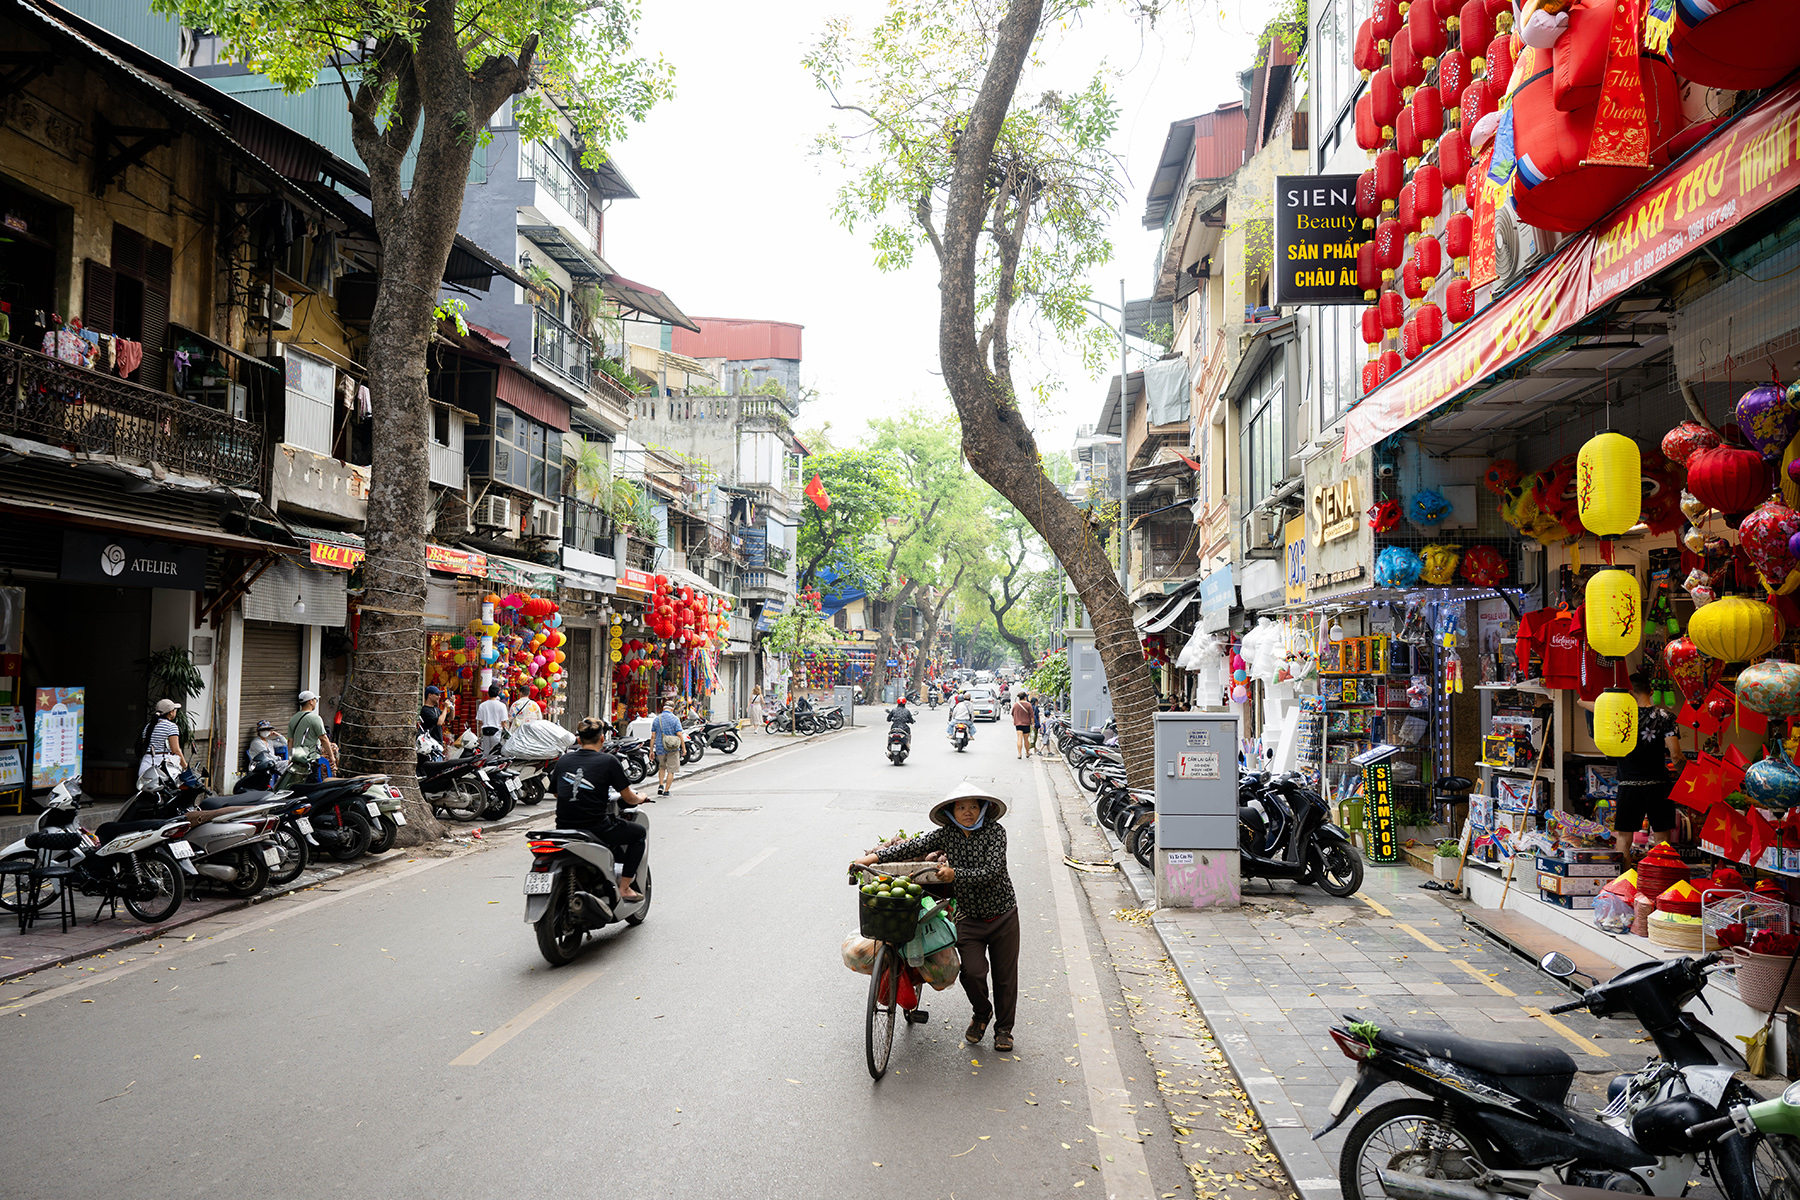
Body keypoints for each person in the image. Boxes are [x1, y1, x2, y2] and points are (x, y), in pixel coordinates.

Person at [854, 783, 1020, 1052]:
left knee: (1004, 977)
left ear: (983, 809)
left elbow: (991, 870)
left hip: (1003, 914)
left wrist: (957, 875)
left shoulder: (996, 833)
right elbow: (911, 847)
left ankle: (1004, 1030)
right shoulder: (948, 835)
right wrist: (873, 857)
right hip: (968, 915)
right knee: (972, 973)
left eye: (973, 806)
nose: (968, 812)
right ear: (952, 812)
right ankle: (981, 1013)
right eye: (961, 807)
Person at [547, 718, 647, 901]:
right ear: (602, 739)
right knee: (639, 834)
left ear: (579, 740)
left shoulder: (563, 760)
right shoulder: (609, 761)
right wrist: (641, 798)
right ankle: (625, 887)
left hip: (563, 828)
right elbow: (629, 798)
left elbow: (557, 794)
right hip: (597, 828)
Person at [1583, 672, 1681, 858]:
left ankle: (1624, 883)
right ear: (1651, 691)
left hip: (1628, 785)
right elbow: (1675, 755)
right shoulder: (1666, 717)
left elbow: (1585, 703)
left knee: (1624, 839)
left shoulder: (1619, 716)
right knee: (1662, 841)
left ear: (1628, 693)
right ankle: (1660, 883)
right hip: (1658, 785)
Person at [286, 690, 339, 786]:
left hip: (298, 760)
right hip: (311, 759)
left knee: (300, 783)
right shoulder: (315, 718)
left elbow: (290, 740)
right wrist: (331, 756)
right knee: (310, 784)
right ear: (310, 701)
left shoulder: (293, 718)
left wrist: (291, 758)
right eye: (315, 700)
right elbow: (323, 738)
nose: (315, 702)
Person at [136, 698, 187, 785]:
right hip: (161, 768)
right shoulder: (171, 727)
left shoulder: (148, 726)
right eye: (175, 710)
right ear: (171, 713)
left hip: (145, 765)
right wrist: (185, 767)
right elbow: (176, 750)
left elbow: (144, 745)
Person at [649, 700, 685, 797]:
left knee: (661, 767)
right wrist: (684, 748)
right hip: (672, 748)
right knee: (671, 770)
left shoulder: (657, 719)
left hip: (660, 747)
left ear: (663, 708)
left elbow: (653, 736)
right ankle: (666, 791)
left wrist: (651, 750)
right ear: (672, 709)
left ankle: (660, 785)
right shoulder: (675, 719)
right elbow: (679, 734)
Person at [476, 684, 509, 753]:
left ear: (488, 693)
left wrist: (479, 736)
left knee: (485, 754)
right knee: (495, 754)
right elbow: (504, 723)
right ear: (498, 693)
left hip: (485, 732)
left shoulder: (482, 705)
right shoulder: (502, 706)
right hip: (496, 732)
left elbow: (480, 723)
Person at [1010, 690, 1034, 759]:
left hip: (1018, 724)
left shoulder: (1016, 705)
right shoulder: (1028, 705)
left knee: (1019, 738)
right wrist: (1033, 723)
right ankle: (1027, 753)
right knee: (1026, 739)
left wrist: (1016, 720)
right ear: (1025, 697)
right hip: (1026, 724)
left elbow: (1012, 713)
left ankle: (1019, 754)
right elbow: (1032, 715)